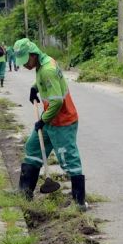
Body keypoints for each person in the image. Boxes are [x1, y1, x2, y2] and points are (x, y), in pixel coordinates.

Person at [14, 38, 86, 209]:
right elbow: (46, 82)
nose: (24, 65)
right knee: (33, 147)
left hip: (62, 121)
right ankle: (24, 193)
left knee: (68, 159)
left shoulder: (47, 69)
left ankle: (79, 202)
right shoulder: (44, 62)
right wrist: (35, 87)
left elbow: (57, 102)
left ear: (33, 55)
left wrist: (42, 120)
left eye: (25, 61)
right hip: (50, 119)